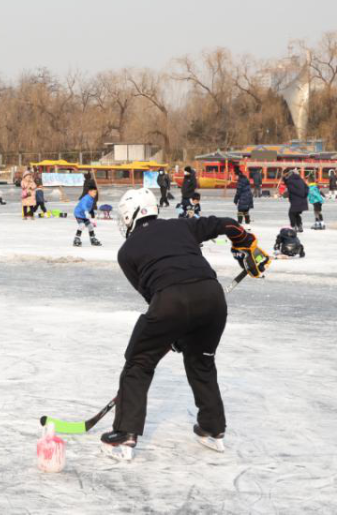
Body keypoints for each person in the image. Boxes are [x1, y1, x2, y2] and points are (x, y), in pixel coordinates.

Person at [100, 189, 270, 461]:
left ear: (133, 215)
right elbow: (227, 224)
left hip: (170, 301)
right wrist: (245, 240)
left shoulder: (126, 252)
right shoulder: (182, 225)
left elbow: (151, 296)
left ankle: (125, 432)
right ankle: (213, 428)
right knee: (201, 361)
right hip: (212, 298)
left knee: (138, 362)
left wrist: (174, 328)